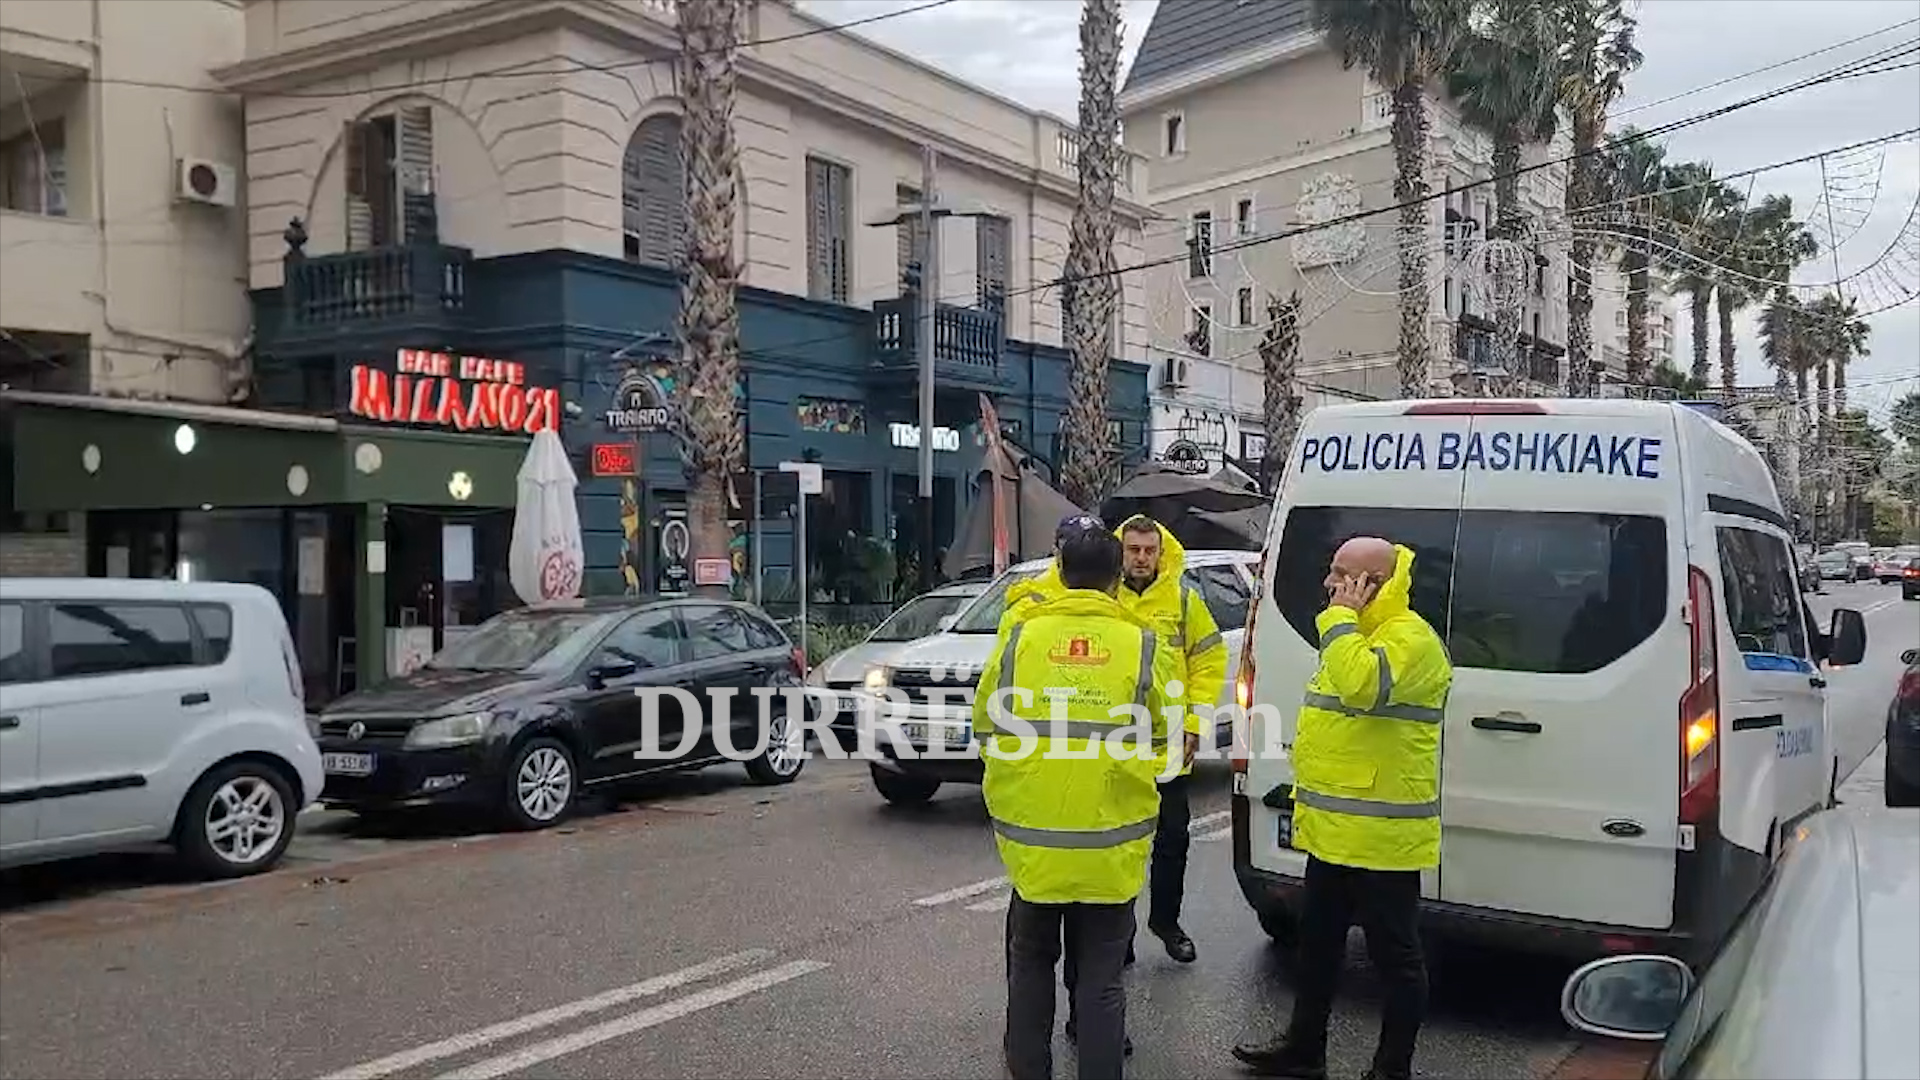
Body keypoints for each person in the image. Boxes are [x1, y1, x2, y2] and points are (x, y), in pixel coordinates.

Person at [1231, 536, 1453, 1080]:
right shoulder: (1353, 637)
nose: (1329, 585)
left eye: (1340, 575)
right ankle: (1305, 1050)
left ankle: (1390, 1069)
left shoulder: (1411, 641)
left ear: (1369, 584)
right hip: (1332, 831)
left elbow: (1360, 689)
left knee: (1396, 960)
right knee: (1318, 947)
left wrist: (1339, 623)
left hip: (1381, 839)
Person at [976, 528, 1181, 1080]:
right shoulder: (1141, 642)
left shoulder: (1021, 635)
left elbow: (985, 722)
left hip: (1034, 846)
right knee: (1101, 979)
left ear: (1059, 568)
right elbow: (1166, 735)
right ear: (1118, 578)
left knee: (1030, 968)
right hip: (1110, 845)